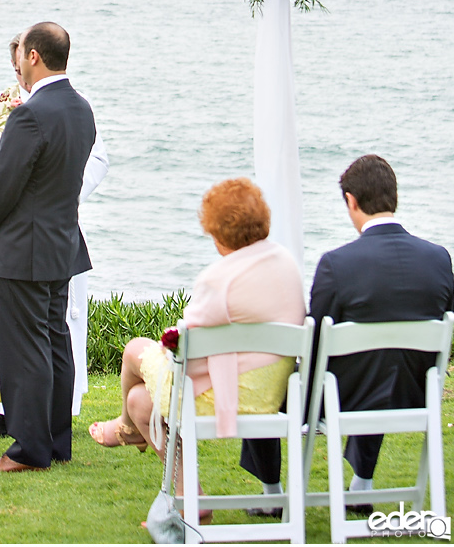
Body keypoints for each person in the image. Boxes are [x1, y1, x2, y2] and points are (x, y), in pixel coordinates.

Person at [241, 154, 454, 509]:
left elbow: (312, 345)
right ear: (394, 197)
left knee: (268, 379)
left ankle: (273, 495)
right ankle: (362, 487)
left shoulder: (337, 264)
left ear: (351, 201)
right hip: (417, 394)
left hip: (343, 399)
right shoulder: (439, 259)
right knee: (384, 366)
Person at [90, 177, 304, 517]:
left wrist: (166, 345)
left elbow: (184, 345)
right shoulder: (286, 262)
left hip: (227, 396)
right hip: (271, 391)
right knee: (139, 400)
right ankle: (192, 498)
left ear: (217, 235)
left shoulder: (220, 278)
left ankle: (127, 428)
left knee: (134, 349)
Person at [0, 22, 97, 472]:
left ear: (32, 55)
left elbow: (4, 190)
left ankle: (28, 450)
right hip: (61, 246)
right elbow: (50, 178)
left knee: (24, 350)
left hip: (21, 252)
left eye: (21, 57)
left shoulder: (29, 114)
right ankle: (56, 442)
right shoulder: (80, 108)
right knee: (56, 343)